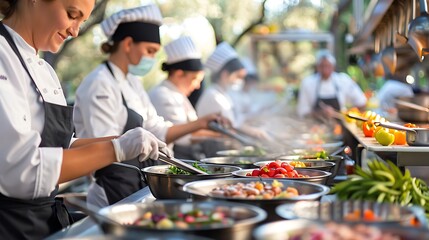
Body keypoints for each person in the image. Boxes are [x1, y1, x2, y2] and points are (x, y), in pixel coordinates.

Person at [0, 1, 169, 239]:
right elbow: (21, 171)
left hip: (43, 219)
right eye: (71, 15)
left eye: (82, 22)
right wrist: (117, 148)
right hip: (11, 225)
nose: (75, 31)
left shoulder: (45, 71)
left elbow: (62, 146)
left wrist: (126, 139)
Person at [73, 5, 227, 207]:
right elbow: (104, 148)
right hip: (111, 189)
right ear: (128, 44)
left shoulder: (133, 82)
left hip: (136, 183)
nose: (153, 59)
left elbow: (156, 128)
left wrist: (202, 123)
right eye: (150, 51)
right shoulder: (99, 83)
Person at [149, 36, 220, 159]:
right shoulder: (162, 94)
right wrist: (221, 136)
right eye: (194, 79)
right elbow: (183, 137)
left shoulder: (178, 94)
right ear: (179, 74)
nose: (197, 86)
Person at [196, 42, 269, 139]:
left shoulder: (222, 94)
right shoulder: (213, 96)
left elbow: (235, 121)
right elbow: (231, 125)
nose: (241, 81)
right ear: (225, 74)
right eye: (238, 76)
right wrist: (252, 132)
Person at [297, 49, 367, 119]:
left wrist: (347, 114)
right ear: (317, 67)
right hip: (314, 127)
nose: (325, 70)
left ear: (333, 67)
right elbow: (302, 112)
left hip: (340, 126)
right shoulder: (308, 83)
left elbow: (361, 102)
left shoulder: (343, 80)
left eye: (328, 66)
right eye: (322, 66)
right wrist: (320, 113)